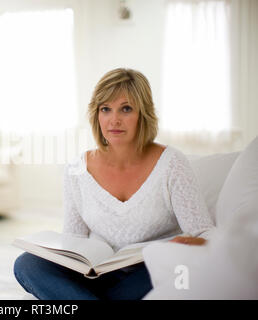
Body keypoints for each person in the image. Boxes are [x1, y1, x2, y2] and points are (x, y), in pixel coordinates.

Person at [13, 68, 215, 300]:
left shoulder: (171, 163)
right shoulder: (76, 170)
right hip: (98, 276)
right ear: (96, 115)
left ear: (143, 114)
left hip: (149, 272)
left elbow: (204, 233)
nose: (114, 120)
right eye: (105, 109)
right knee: (27, 265)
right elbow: (74, 241)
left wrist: (191, 243)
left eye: (126, 109)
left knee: (178, 268)